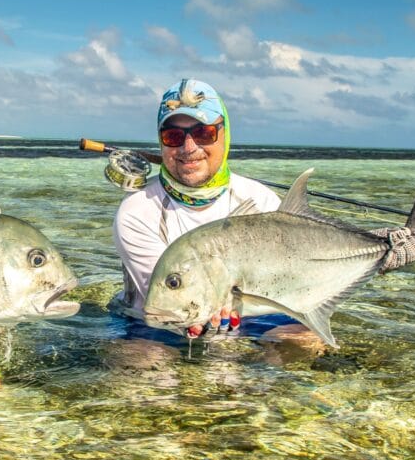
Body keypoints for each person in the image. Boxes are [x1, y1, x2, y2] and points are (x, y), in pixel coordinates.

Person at [111, 78, 322, 348]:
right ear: (161, 143)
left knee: (306, 342)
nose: (189, 148)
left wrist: (378, 252)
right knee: (146, 367)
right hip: (154, 326)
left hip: (252, 316)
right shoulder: (137, 211)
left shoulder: (260, 200)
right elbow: (174, 303)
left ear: (224, 135)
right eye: (173, 136)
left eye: (204, 133)